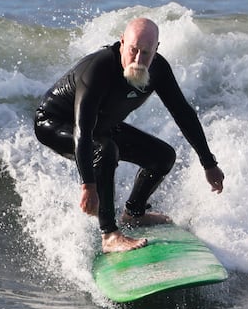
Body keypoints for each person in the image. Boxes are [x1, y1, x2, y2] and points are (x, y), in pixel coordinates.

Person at [34, 17, 225, 253]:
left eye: (146, 53)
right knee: (104, 151)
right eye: (133, 50)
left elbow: (183, 114)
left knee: (162, 157)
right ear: (122, 42)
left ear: (156, 49)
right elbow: (83, 130)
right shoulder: (98, 69)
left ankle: (134, 214)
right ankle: (109, 235)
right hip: (55, 123)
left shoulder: (159, 70)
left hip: (101, 126)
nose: (137, 59)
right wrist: (88, 185)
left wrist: (209, 163)